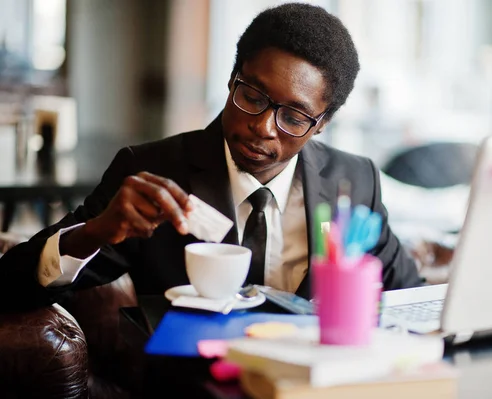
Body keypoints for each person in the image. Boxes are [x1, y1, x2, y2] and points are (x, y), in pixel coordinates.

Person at [0, 3, 422, 311]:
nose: (263, 127)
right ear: (231, 78)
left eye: (293, 116)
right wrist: (93, 232)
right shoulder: (151, 172)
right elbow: (11, 284)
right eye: (252, 96)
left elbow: (411, 295)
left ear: (323, 123)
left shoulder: (355, 181)